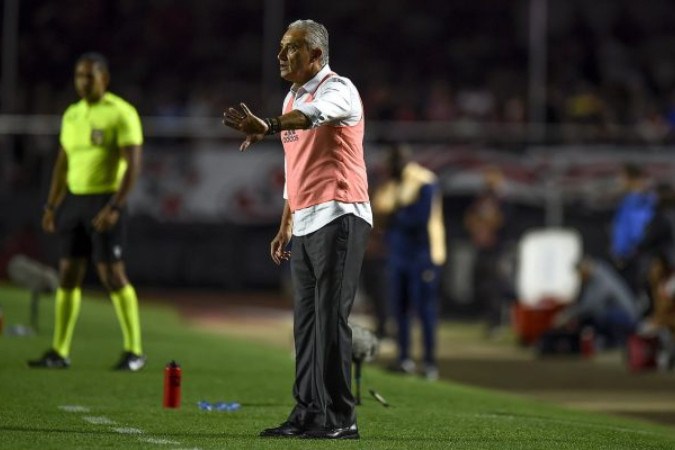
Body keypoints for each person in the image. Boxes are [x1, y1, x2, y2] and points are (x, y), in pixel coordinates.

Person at [223, 20, 371, 440]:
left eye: (292, 48)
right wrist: (285, 224)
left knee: (329, 319)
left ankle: (341, 418)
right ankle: (308, 413)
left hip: (340, 214)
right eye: (282, 47)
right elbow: (295, 170)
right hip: (305, 220)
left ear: (316, 56)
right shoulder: (293, 96)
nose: (281, 55)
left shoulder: (338, 89)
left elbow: (312, 117)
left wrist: (269, 125)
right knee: (305, 323)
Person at [28, 53, 146, 371]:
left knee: (111, 274)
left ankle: (134, 350)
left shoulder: (121, 113)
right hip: (75, 202)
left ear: (104, 79)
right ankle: (60, 350)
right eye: (79, 76)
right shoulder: (72, 115)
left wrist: (116, 206)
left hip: (106, 200)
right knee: (68, 274)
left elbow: (133, 165)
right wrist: (52, 205)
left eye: (89, 76)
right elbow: (62, 164)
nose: (83, 81)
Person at [372, 144, 446, 380]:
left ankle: (429, 362)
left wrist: (394, 214)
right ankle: (404, 358)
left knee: (424, 310)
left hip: (423, 254)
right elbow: (378, 214)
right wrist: (395, 214)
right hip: (398, 254)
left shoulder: (424, 180)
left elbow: (418, 218)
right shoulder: (392, 184)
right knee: (399, 308)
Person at [551, 256, 639, 349]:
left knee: (598, 316)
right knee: (596, 316)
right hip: (623, 315)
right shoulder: (598, 274)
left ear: (584, 269)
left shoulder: (600, 277)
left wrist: (567, 316)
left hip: (628, 318)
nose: (580, 278)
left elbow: (590, 306)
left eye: (580, 274)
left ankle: (618, 344)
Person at [463, 166, 509, 336]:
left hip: (496, 249)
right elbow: (469, 219)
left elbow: (500, 221)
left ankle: (498, 322)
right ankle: (488, 319)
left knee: (495, 287)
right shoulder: (480, 200)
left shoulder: (503, 201)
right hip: (482, 248)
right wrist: (480, 224)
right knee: (482, 285)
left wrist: (485, 221)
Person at [610, 163, 655, 295]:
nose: (619, 181)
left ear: (631, 179)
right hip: (626, 261)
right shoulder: (626, 202)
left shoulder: (641, 203)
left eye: (622, 177)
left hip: (635, 260)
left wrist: (630, 253)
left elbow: (639, 232)